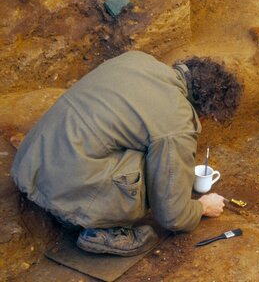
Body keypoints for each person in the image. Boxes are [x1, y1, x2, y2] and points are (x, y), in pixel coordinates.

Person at [11, 51, 242, 256]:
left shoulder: (136, 59)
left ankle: (72, 204)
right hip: (62, 183)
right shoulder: (178, 121)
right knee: (152, 172)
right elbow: (173, 216)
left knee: (145, 148)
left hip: (30, 162)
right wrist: (201, 207)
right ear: (206, 113)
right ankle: (102, 231)